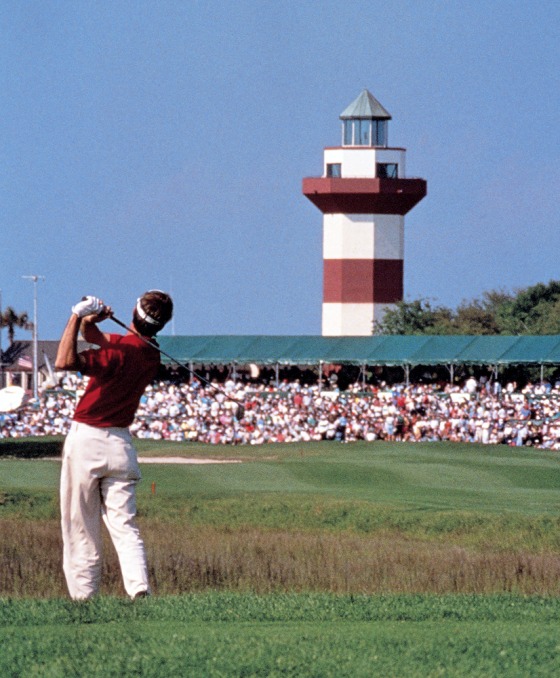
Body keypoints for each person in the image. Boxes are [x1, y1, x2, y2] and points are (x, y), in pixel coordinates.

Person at [55, 290, 173, 600]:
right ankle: (139, 588)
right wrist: (93, 320)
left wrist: (75, 315)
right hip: (121, 445)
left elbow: (64, 360)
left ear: (133, 313)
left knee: (81, 524)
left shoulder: (118, 351)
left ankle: (85, 598)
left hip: (87, 441)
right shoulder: (152, 353)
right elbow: (99, 337)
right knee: (124, 526)